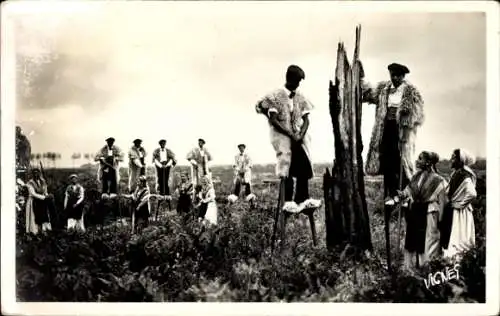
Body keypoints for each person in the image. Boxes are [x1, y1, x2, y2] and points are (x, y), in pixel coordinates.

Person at [255, 64, 321, 212]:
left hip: (296, 135)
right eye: (296, 80)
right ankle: (288, 201)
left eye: (299, 82)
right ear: (289, 78)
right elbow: (273, 120)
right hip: (282, 135)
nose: (298, 84)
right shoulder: (275, 96)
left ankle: (302, 198)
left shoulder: (300, 96)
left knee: (304, 164)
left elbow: (307, 120)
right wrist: (290, 134)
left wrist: (300, 134)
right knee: (287, 165)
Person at [360, 63, 424, 202]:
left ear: (403, 76)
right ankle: (391, 193)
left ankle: (404, 194)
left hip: (402, 130)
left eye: (397, 75)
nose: (394, 78)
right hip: (386, 127)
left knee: (401, 161)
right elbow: (369, 93)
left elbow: (419, 113)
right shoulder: (384, 89)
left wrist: (407, 120)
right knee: (387, 159)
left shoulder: (411, 92)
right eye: (392, 74)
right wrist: (361, 77)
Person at [386, 151, 447, 271]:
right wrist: (398, 196)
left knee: (427, 242)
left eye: (420, 159)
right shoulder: (416, 177)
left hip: (429, 213)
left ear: (428, 162)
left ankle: (428, 270)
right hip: (415, 212)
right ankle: (409, 270)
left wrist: (440, 220)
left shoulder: (438, 180)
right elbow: (407, 192)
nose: (417, 161)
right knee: (411, 240)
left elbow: (443, 202)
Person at [440, 149, 477, 260]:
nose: (451, 160)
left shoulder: (464, 175)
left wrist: (460, 204)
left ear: (460, 161)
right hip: (454, 210)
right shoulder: (456, 174)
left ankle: (457, 264)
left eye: (454, 157)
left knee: (458, 238)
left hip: (460, 213)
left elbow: (472, 193)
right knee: (451, 236)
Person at [25, 168, 55, 235]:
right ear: (32, 174)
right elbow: (33, 193)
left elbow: (45, 191)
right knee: (34, 216)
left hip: (42, 201)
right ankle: (35, 231)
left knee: (44, 214)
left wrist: (47, 196)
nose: (36, 174)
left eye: (37, 173)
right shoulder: (30, 183)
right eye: (34, 173)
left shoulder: (43, 181)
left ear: (39, 173)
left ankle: (44, 230)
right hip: (33, 200)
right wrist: (44, 197)